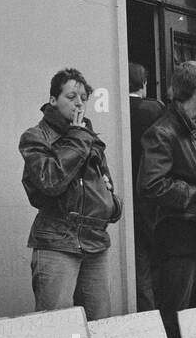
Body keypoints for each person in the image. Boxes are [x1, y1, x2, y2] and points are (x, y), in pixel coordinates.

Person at [18, 68, 122, 319]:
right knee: (57, 328)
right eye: (71, 96)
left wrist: (113, 204)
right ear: (53, 100)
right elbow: (50, 181)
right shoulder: (36, 136)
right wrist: (77, 138)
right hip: (57, 241)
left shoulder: (88, 137)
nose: (79, 103)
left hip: (95, 241)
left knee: (100, 325)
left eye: (84, 98)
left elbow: (104, 181)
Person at [138, 60, 196, 338]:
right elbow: (151, 184)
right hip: (178, 237)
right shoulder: (163, 131)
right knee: (175, 315)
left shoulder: (195, 129)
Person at [128, 63, 163, 312]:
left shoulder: (120, 110)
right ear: (144, 84)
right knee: (157, 259)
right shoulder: (153, 108)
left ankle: (146, 310)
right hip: (153, 195)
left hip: (127, 193)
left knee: (139, 259)